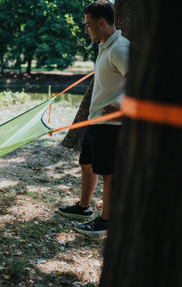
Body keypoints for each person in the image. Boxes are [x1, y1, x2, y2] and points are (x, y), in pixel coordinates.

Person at [58, 0, 130, 235]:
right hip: (95, 120)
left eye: (89, 25)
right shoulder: (105, 46)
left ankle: (106, 221)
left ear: (102, 22)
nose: (86, 29)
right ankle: (83, 207)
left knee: (109, 173)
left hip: (112, 124)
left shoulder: (120, 49)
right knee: (86, 164)